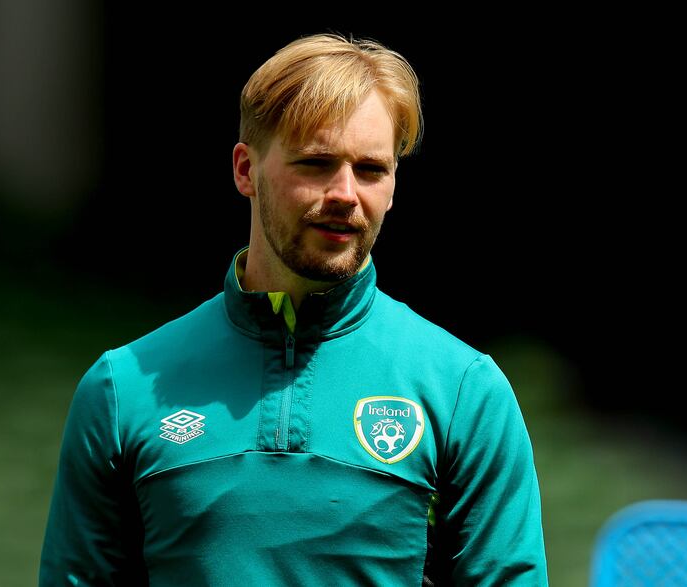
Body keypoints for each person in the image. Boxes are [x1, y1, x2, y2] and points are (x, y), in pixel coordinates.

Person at [39, 33, 548, 586]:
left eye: (371, 169)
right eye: (316, 163)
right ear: (244, 170)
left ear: (394, 185)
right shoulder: (121, 390)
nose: (345, 193)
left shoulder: (463, 391)